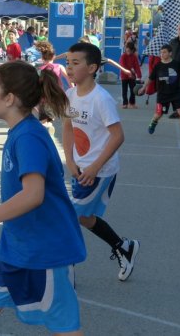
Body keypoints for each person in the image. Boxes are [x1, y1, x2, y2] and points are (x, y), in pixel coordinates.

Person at [0, 60, 86, 336]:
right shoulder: (20, 132)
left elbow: (33, 195)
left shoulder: (29, 137)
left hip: (44, 250)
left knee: (64, 326)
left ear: (10, 98)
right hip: (15, 248)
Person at [62, 42, 139, 282]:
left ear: (92, 68)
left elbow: (118, 136)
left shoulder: (101, 99)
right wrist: (69, 160)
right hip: (80, 168)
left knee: (68, 217)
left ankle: (66, 271)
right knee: (84, 218)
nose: (69, 67)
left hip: (99, 170)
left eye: (75, 63)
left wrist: (94, 167)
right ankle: (124, 247)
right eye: (67, 62)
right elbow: (68, 128)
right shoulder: (70, 95)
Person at [138, 44, 180, 142]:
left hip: (175, 93)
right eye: (161, 52)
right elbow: (150, 78)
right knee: (159, 114)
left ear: (170, 53)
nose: (162, 54)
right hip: (162, 94)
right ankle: (153, 122)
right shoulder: (158, 66)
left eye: (164, 52)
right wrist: (144, 87)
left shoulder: (176, 64)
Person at [119, 42, 142, 109]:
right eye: (127, 50)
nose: (128, 52)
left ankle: (132, 103)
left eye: (129, 51)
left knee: (133, 90)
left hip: (132, 77)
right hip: (124, 76)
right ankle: (125, 103)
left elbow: (137, 66)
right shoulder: (123, 56)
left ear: (132, 50)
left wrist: (139, 76)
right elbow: (123, 66)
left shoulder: (134, 57)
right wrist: (129, 73)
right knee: (124, 90)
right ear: (125, 49)